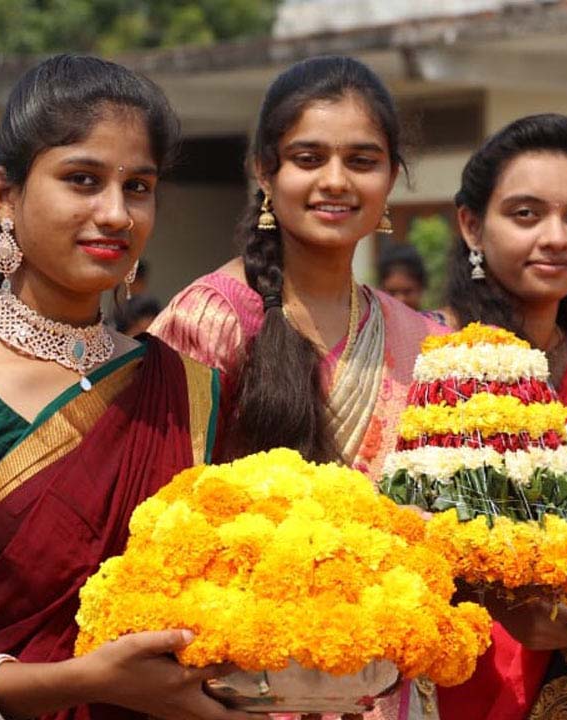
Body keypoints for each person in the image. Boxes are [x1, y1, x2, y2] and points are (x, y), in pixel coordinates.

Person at [0, 55, 238, 720]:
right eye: (83, 180)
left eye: (139, 186)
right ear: (5, 195)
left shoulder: (187, 389)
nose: (116, 213)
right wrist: (84, 681)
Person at [149, 56, 446, 718]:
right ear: (264, 170)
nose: (334, 181)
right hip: (243, 689)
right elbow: (163, 535)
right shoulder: (209, 321)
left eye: (362, 161)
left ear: (392, 178)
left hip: (388, 687)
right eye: (308, 158)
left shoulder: (422, 341)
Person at [431, 113, 567, 720]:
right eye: (526, 215)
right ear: (472, 225)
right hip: (449, 683)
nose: (557, 237)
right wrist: (500, 602)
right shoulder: (421, 357)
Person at [376, 243, 428, 311]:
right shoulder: (370, 321)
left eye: (407, 292)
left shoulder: (434, 321)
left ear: (421, 289)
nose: (400, 299)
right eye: (392, 292)